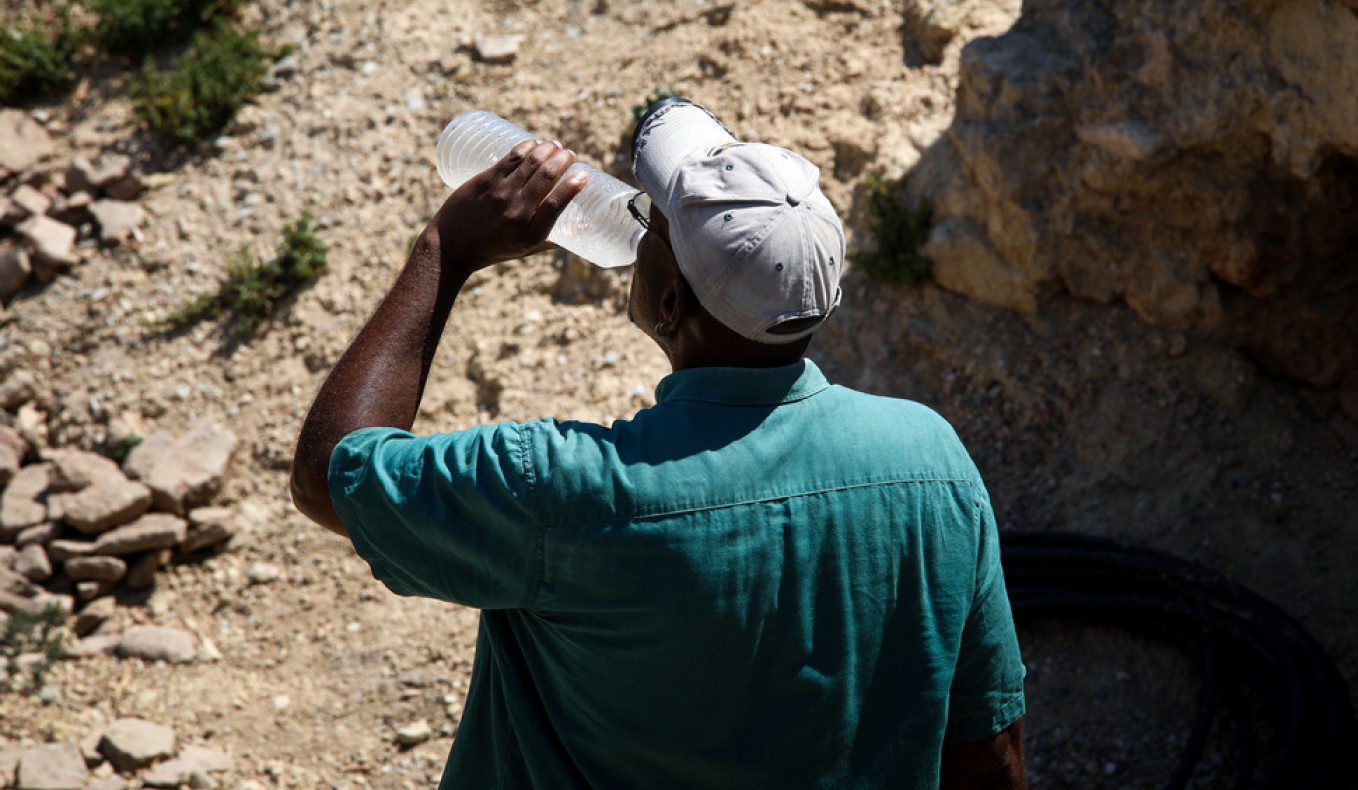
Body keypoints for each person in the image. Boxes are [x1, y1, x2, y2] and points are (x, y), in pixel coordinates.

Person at [291, 98, 1026, 789]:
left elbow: (329, 473)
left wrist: (444, 251)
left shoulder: (564, 491)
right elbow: (990, 759)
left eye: (651, 225)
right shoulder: (931, 462)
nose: (635, 231)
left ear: (672, 302)